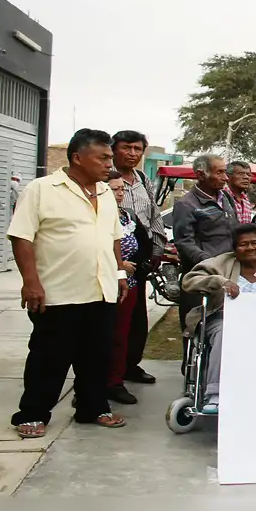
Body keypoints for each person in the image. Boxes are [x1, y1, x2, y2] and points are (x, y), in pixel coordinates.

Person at [7, 129, 129, 438]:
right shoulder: (42, 189)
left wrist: (119, 274)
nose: (109, 164)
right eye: (102, 158)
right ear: (78, 157)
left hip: (101, 290)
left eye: (110, 158)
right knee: (49, 358)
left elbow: (114, 237)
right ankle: (33, 413)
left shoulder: (106, 192)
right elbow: (21, 237)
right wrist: (30, 282)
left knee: (96, 357)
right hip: (58, 292)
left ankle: (93, 408)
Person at [181, 224, 256, 413]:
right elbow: (190, 280)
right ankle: (215, 394)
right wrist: (220, 282)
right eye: (243, 244)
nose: (250, 247)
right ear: (235, 250)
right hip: (225, 319)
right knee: (224, 334)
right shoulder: (221, 262)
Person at [111, 130, 165, 385]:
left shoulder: (142, 179)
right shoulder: (106, 179)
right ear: (114, 149)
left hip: (141, 259)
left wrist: (157, 249)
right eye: (126, 148)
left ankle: (130, 365)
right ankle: (110, 375)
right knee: (115, 322)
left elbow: (155, 214)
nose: (132, 154)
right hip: (115, 261)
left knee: (137, 318)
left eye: (137, 149)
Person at [173, 154, 239, 336]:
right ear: (201, 174)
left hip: (230, 273)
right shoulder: (186, 204)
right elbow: (184, 242)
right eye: (219, 173)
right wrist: (210, 263)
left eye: (225, 172)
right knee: (196, 331)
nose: (225, 178)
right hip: (201, 277)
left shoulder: (226, 197)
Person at [105, 173, 153, 405]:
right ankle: (89, 387)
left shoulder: (128, 216)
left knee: (121, 334)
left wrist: (133, 264)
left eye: (121, 189)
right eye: (113, 189)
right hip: (102, 281)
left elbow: (145, 243)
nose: (119, 193)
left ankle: (116, 381)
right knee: (97, 337)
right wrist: (117, 263)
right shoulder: (94, 215)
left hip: (129, 283)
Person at [224, 160, 254, 225]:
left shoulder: (246, 201)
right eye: (241, 174)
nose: (246, 177)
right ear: (228, 176)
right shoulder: (220, 197)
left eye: (249, 175)